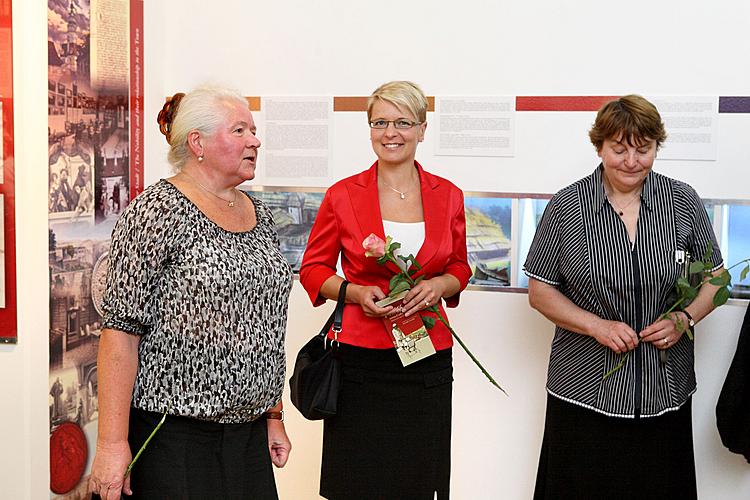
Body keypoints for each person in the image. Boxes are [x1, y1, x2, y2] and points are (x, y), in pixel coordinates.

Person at [89, 86, 293, 500]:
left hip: (248, 435)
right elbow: (120, 332)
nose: (255, 140)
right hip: (175, 436)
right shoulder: (155, 211)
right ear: (196, 142)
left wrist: (273, 414)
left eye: (253, 130)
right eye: (240, 130)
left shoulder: (261, 215)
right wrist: (112, 445)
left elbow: (268, 326)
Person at [524, 95, 725, 500]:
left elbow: (717, 281)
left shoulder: (683, 201)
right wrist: (595, 326)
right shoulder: (566, 206)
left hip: (663, 388)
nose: (631, 161)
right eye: (619, 149)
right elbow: (540, 291)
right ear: (599, 147)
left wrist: (684, 318)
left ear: (656, 147)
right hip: (584, 391)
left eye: (643, 149)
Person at [299, 81, 472, 500]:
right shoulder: (342, 194)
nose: (390, 132)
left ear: (422, 129)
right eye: (380, 122)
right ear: (370, 128)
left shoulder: (448, 195)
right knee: (357, 482)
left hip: (427, 356)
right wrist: (355, 293)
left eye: (402, 122)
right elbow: (313, 269)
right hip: (360, 362)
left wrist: (437, 285)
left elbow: (460, 267)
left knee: (420, 480)